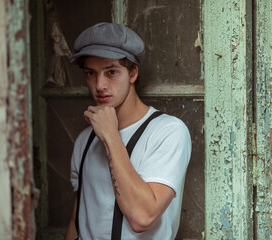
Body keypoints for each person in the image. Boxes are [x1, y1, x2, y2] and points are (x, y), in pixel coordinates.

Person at [65, 22, 192, 240]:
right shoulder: (85, 140)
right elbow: (78, 221)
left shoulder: (168, 132)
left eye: (111, 72)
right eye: (91, 73)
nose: (100, 85)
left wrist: (111, 136)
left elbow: (142, 217)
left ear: (132, 73)